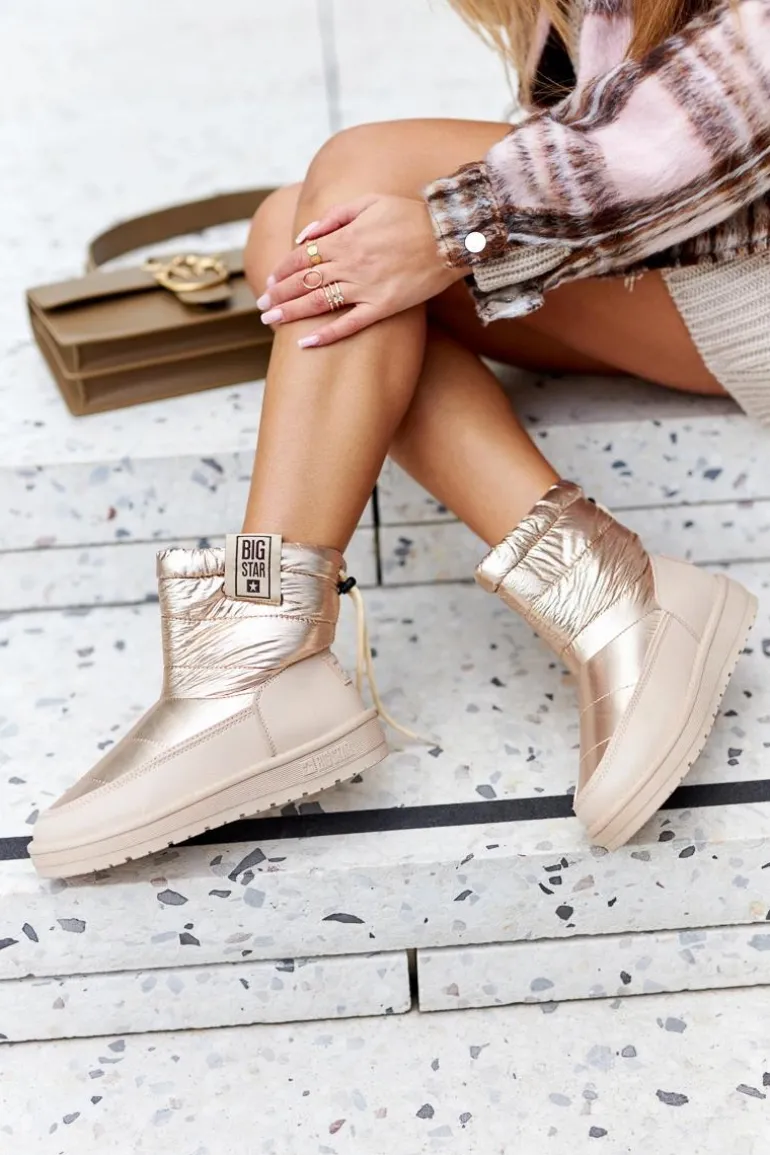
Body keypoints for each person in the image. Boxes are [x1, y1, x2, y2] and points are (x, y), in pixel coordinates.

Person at [30, 0, 768, 878]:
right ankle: (610, 593)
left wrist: (459, 223)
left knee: (361, 171)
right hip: (696, 283)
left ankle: (257, 651)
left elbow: (719, 109)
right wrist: (449, 230)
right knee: (296, 235)